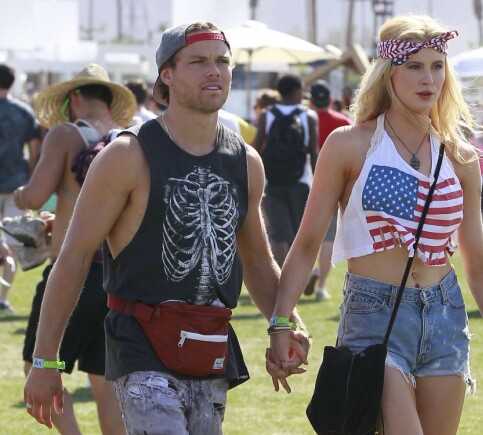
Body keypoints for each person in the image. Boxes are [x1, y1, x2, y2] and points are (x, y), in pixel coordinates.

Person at [267, 14, 483, 434]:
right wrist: (280, 321)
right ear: (389, 73)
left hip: (445, 316)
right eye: (415, 66)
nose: (429, 79)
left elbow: (478, 264)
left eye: (437, 66)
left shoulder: (461, 157)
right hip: (374, 316)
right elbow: (308, 241)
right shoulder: (350, 144)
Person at [23, 21, 309, 433]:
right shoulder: (127, 154)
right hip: (140, 349)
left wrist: (285, 323)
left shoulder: (246, 162)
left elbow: (259, 264)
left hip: (209, 346)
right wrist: (45, 360)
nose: (215, 71)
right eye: (198, 62)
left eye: (222, 61)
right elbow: (74, 256)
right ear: (166, 76)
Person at [14, 62, 135, 434]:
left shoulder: (65, 135)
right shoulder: (128, 138)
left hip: (73, 270)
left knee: (39, 365)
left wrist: (19, 197)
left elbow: (35, 194)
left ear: (74, 97)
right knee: (105, 381)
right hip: (118, 275)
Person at [252, 74, 319, 294]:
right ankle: (307, 274)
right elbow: (312, 151)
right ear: (298, 90)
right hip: (300, 181)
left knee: (280, 234)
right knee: (300, 234)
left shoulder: (267, 115)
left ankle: (284, 283)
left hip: (272, 180)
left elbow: (256, 147)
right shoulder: (308, 116)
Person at [0, 63, 42, 314]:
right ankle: (3, 297)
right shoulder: (24, 111)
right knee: (12, 242)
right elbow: (35, 150)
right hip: (17, 182)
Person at [308, 79, 352, 300]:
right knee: (328, 236)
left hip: (306, 181)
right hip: (337, 184)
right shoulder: (344, 122)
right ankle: (321, 286)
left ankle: (307, 273)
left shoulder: (305, 120)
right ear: (331, 99)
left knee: (303, 234)